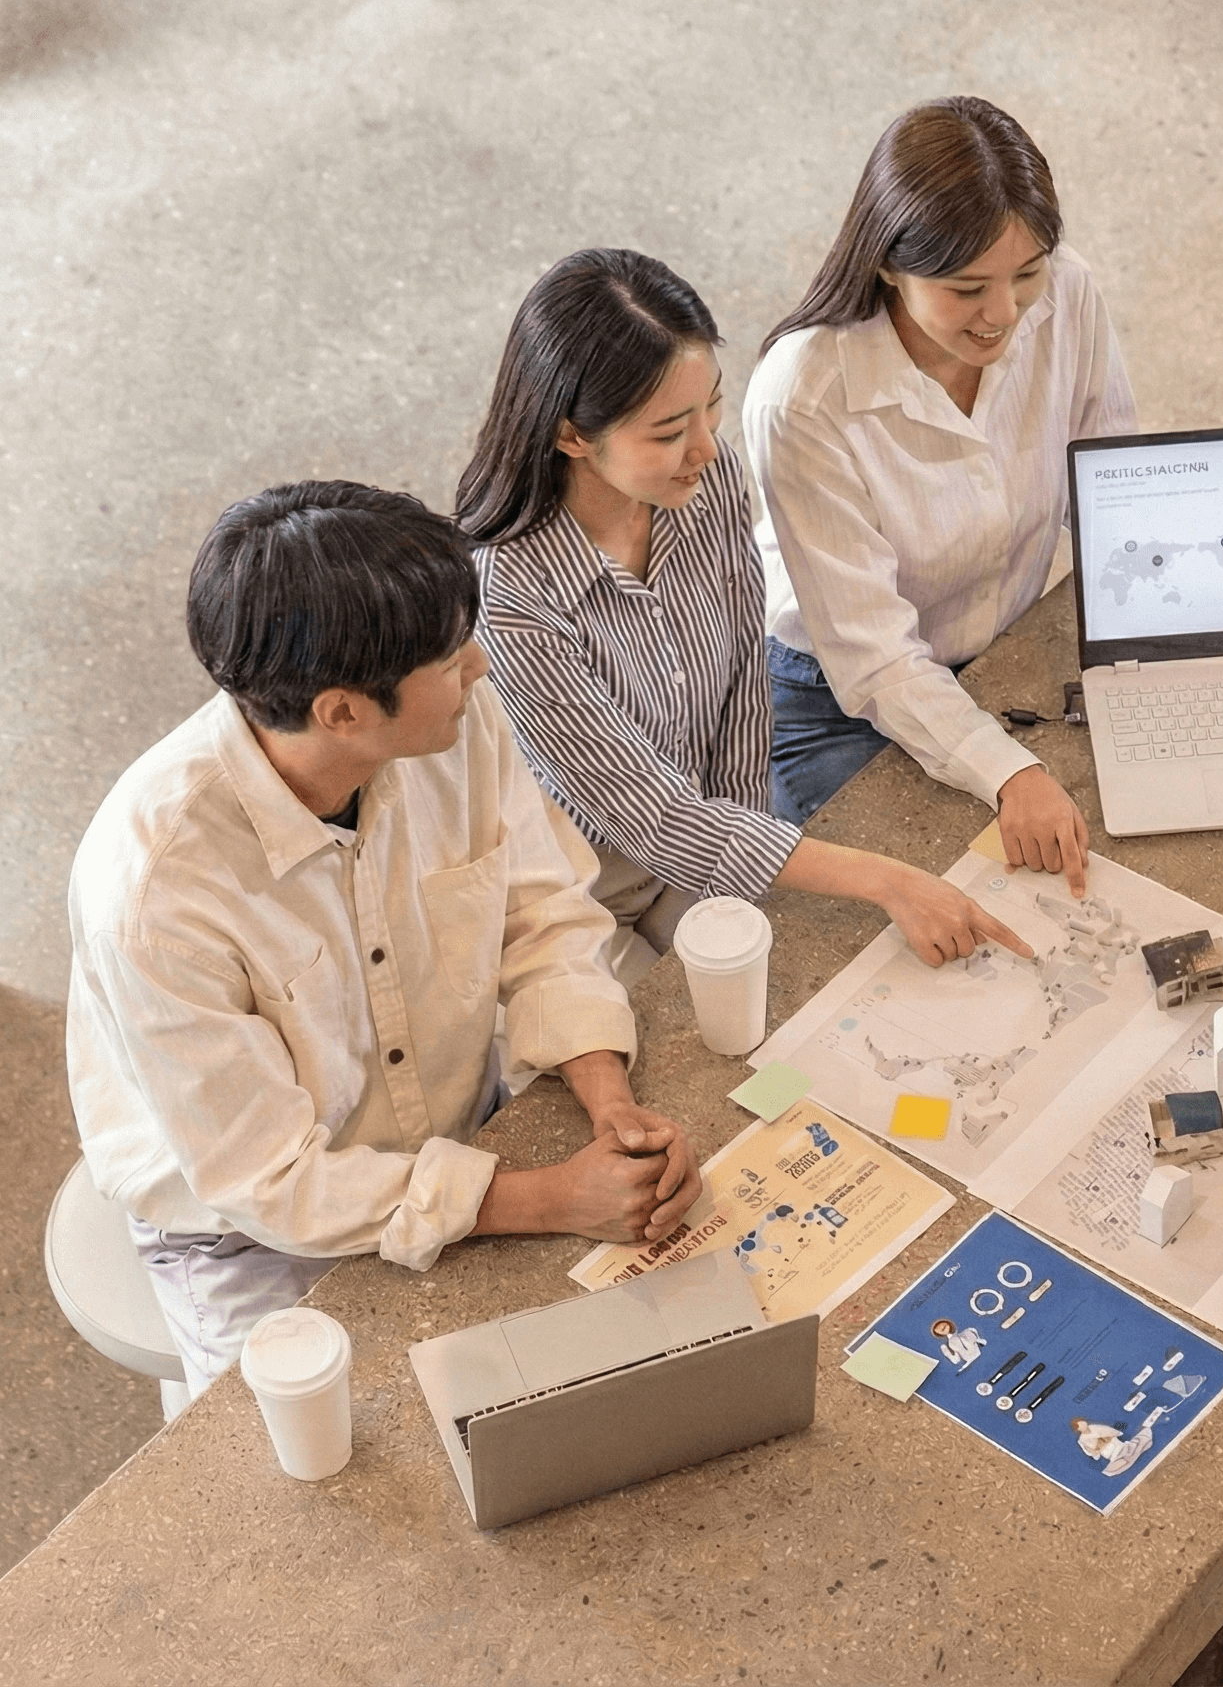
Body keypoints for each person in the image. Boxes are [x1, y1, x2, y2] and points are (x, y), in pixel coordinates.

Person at [67, 483, 702, 1395]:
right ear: (342, 713)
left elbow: (539, 907)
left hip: (447, 1120)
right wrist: (553, 1196)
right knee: (325, 1474)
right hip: (242, 1226)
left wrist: (608, 1103)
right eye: (450, 656)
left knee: (571, 1385)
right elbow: (270, 1181)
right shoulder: (154, 896)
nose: (479, 665)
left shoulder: (452, 720)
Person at [461, 248, 1030, 979]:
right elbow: (649, 817)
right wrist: (887, 878)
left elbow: (741, 684)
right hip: (576, 885)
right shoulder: (510, 596)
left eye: (711, 405)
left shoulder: (708, 479)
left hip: (713, 831)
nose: (705, 447)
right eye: (667, 432)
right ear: (572, 435)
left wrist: (737, 878)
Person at [744, 95, 1136, 888]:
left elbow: (1115, 484)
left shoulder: (1067, 295)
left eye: (1024, 275)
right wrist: (1010, 772)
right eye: (965, 289)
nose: (1004, 315)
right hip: (835, 698)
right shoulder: (803, 399)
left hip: (999, 648)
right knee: (934, 908)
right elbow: (876, 658)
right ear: (888, 263)